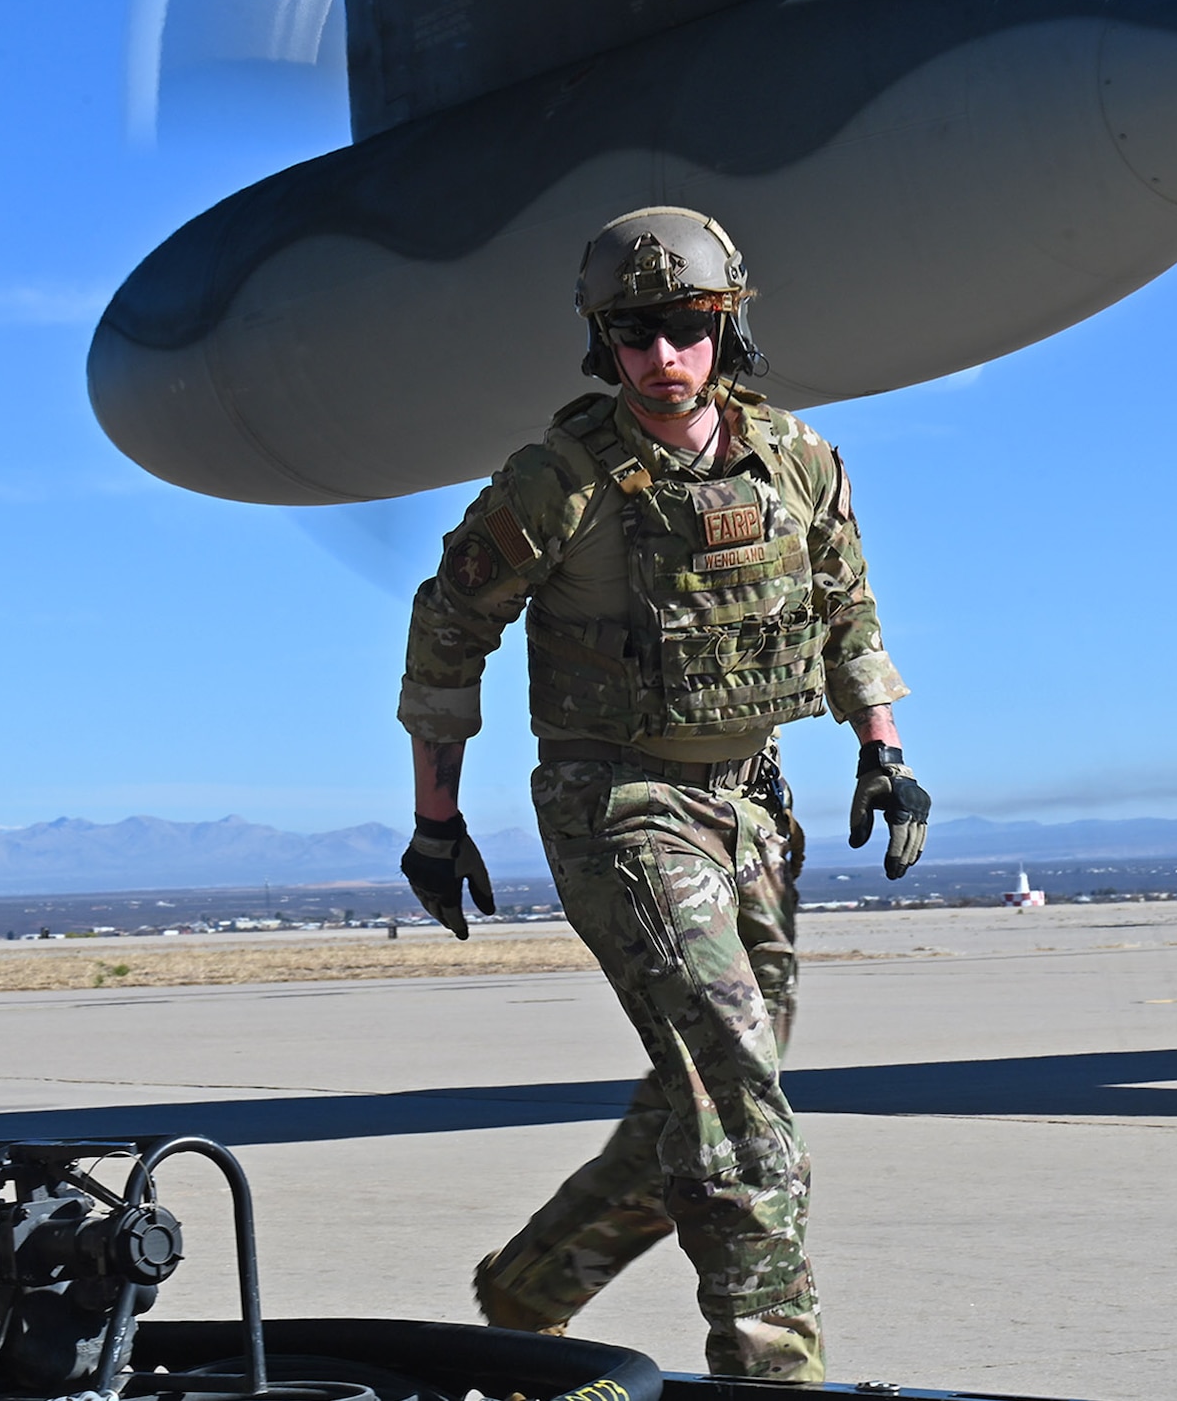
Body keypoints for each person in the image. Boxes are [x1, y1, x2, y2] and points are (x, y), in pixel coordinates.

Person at [395, 206, 931, 1381]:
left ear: (725, 324)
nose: (660, 356)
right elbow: (447, 631)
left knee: (710, 1076)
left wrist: (881, 750)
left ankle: (535, 1281)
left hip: (750, 802)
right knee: (736, 1097)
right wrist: (436, 822)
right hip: (617, 806)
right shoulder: (558, 481)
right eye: (632, 332)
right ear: (602, 342)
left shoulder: (797, 462)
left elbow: (845, 607)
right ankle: (767, 1367)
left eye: (685, 326)